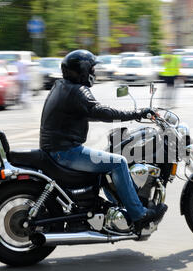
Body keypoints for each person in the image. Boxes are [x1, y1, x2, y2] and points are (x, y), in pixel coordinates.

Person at [39, 49, 167, 233]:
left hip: (57, 149)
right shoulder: (78, 91)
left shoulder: (62, 86)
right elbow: (101, 111)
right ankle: (139, 215)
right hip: (66, 152)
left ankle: (119, 208)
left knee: (106, 163)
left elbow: (82, 112)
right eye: (92, 69)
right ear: (83, 70)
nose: (94, 73)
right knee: (119, 162)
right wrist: (138, 113)